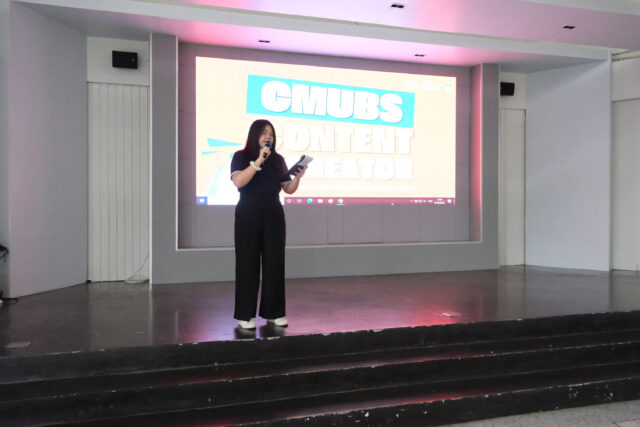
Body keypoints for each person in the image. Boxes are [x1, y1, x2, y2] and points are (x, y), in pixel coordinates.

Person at [230, 119, 306, 330]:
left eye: (271, 134)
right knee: (247, 262)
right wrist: (258, 161)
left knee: (274, 262)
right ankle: (245, 314)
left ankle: (274, 313)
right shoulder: (240, 156)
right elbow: (239, 182)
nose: (268, 137)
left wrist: (298, 177)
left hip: (273, 210)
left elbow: (288, 189)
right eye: (264, 133)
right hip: (248, 210)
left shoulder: (278, 159)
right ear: (254, 134)